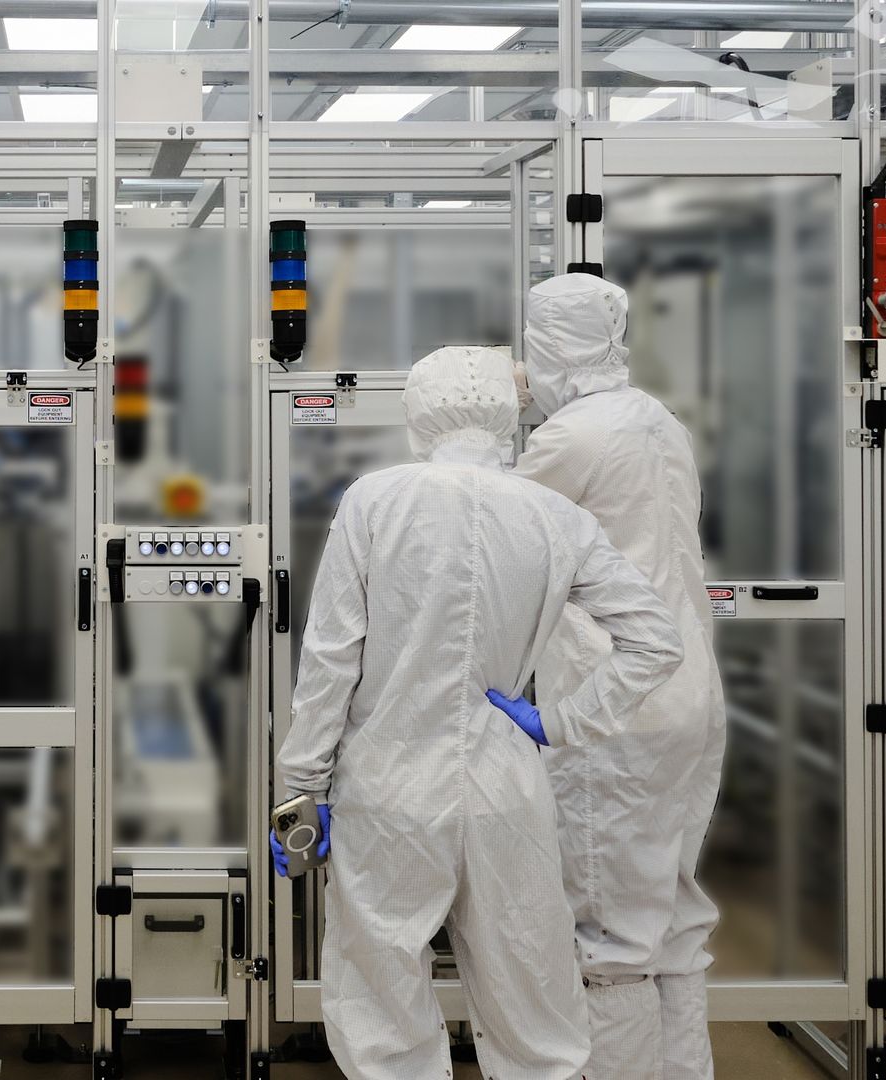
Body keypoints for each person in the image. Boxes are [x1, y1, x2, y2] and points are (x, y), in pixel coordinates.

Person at [273, 345, 684, 1080]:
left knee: (383, 1014)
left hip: (388, 793)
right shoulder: (553, 514)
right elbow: (655, 641)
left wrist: (304, 785)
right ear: (508, 415)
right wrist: (558, 721)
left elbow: (329, 658)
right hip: (506, 793)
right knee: (534, 1013)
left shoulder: (374, 500)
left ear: (417, 412)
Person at [513, 273, 727, 1080]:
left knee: (608, 942)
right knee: (671, 922)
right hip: (690, 698)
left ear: (548, 344)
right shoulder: (657, 421)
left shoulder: (572, 435)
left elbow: (500, 539)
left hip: (617, 706)